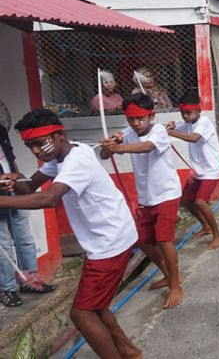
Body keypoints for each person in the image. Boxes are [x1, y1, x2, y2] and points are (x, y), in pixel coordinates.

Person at [1, 109, 141, 358]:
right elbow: (30, 186)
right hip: (110, 238)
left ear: (59, 135)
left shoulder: (76, 160)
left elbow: (49, 198)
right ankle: (129, 351)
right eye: (28, 146)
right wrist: (12, 180)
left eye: (38, 144)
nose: (34, 151)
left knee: (81, 313)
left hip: (109, 242)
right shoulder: (63, 155)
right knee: (95, 306)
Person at [100, 93, 184, 309]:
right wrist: (108, 145)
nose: (136, 124)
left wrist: (118, 147)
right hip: (146, 196)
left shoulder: (159, 132)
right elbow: (104, 156)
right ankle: (168, 274)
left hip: (166, 193)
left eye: (141, 119)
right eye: (131, 119)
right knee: (143, 240)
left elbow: (147, 146)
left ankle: (175, 285)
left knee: (165, 240)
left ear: (152, 116)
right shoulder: (127, 133)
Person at [0, 122, 55, 307]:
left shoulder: (2, 133)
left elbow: (10, 159)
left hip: (13, 190)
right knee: (4, 244)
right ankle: (6, 289)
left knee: (25, 238)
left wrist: (18, 177)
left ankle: (29, 281)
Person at [166, 91, 219, 249]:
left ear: (198, 110)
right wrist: (171, 126)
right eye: (183, 113)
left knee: (200, 202)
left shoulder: (204, 123)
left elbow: (194, 138)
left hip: (212, 169)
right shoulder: (188, 123)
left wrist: (171, 132)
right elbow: (178, 128)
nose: (185, 117)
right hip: (199, 170)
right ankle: (205, 226)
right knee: (186, 200)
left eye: (189, 113)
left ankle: (217, 234)